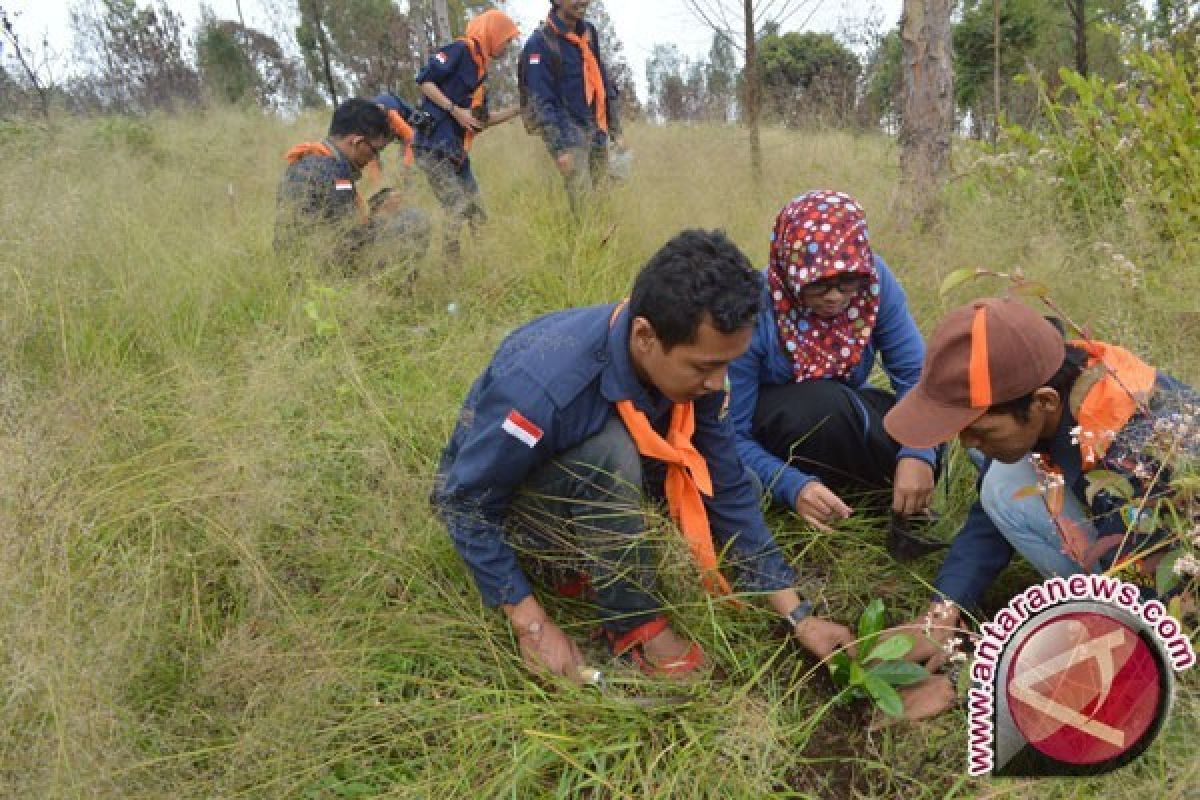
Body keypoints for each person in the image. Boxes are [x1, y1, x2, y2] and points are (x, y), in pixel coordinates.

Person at [433, 229, 855, 680]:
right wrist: (531, 624)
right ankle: (630, 623)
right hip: (522, 512)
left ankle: (604, 553)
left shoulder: (697, 366)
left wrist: (798, 615)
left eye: (727, 364)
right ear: (645, 336)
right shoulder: (544, 390)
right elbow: (461, 501)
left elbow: (725, 478)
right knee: (609, 451)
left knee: (742, 486)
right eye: (705, 367)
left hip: (601, 477)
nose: (718, 382)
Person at [882, 297, 1198, 676]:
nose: (966, 444)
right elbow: (987, 520)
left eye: (979, 430)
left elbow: (1141, 608)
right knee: (1000, 481)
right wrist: (947, 604)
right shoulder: (1058, 380)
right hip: (1134, 546)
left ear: (1043, 403)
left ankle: (1080, 608)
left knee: (1132, 625)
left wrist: (975, 679)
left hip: (1170, 573)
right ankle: (1077, 602)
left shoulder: (1132, 460)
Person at [727, 190, 939, 541]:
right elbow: (731, 433)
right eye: (818, 284)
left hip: (841, 419)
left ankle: (884, 501)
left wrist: (918, 454)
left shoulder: (874, 284)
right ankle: (825, 497)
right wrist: (790, 486)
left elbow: (918, 379)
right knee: (819, 407)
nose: (835, 297)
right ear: (789, 269)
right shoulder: (754, 310)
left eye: (847, 281)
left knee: (924, 428)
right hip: (781, 434)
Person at [412, 9, 522, 261]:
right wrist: (455, 110)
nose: (508, 46)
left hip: (457, 153)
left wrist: (517, 110)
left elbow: (481, 122)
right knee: (457, 205)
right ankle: (452, 269)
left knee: (478, 214)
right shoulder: (460, 49)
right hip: (432, 147)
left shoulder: (482, 73)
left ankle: (485, 264)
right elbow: (425, 81)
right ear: (494, 34)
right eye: (507, 39)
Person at [275, 98, 430, 273]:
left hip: (297, 264)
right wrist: (383, 216)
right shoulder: (334, 172)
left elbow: (335, 221)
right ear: (356, 142)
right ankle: (393, 293)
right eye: (375, 151)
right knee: (413, 220)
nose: (373, 158)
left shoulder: (310, 159)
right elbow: (350, 238)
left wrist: (375, 209)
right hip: (320, 272)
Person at [520, 0, 624, 216]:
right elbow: (541, 102)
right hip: (570, 139)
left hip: (598, 132)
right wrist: (559, 149)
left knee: (605, 205)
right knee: (583, 209)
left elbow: (602, 80)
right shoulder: (540, 43)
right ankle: (581, 249)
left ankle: (600, 248)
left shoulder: (589, 33)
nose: (583, 2)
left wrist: (614, 129)